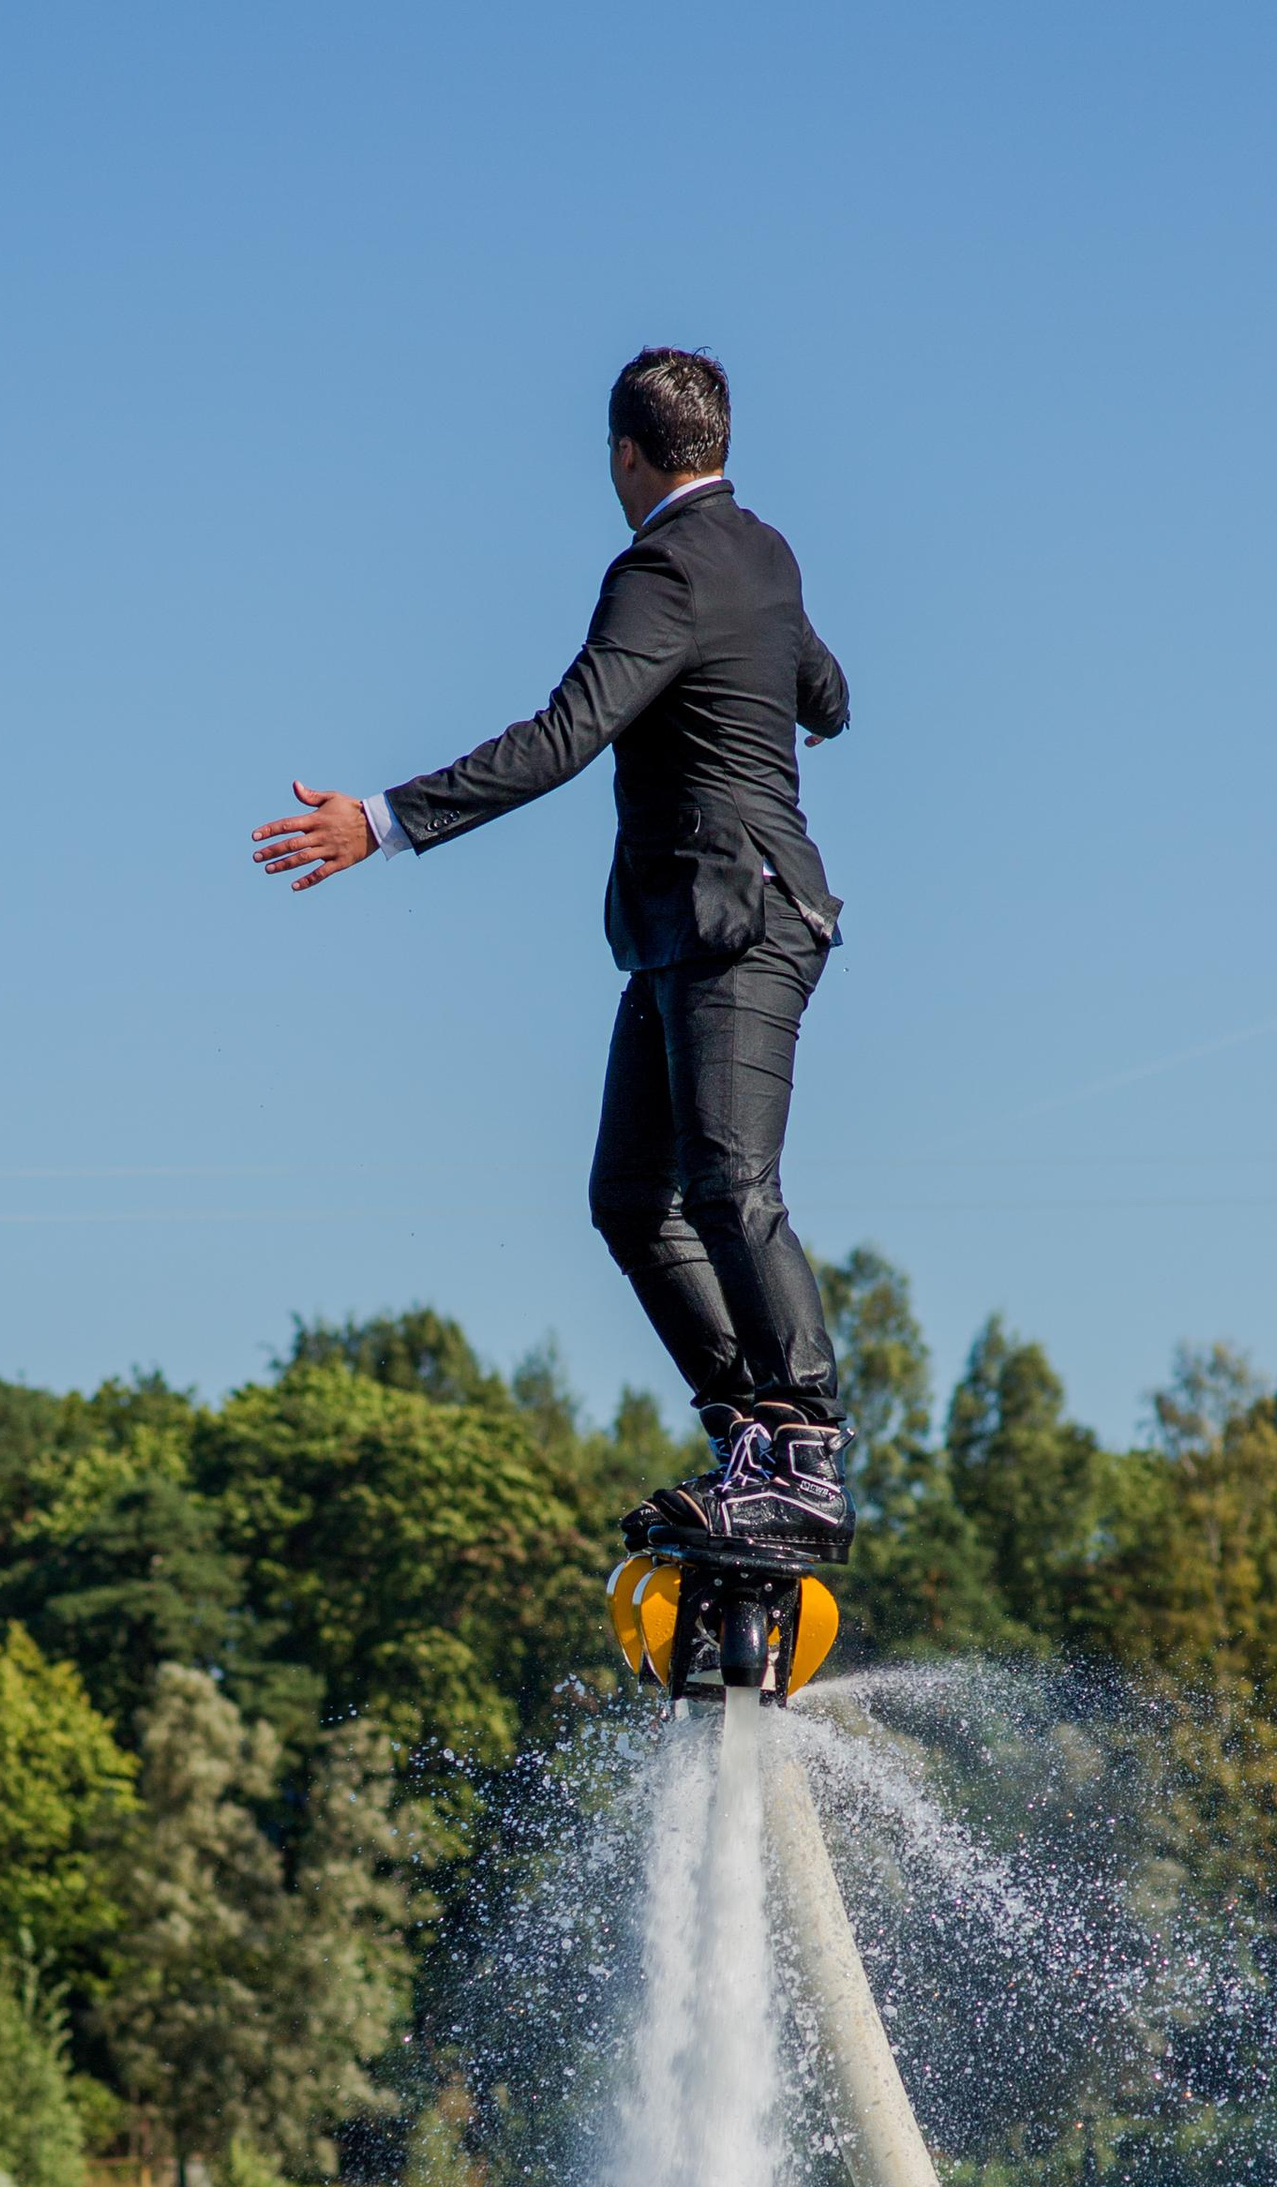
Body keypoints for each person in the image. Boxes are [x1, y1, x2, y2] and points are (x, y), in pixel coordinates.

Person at [252, 345, 853, 1563]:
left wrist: (383, 818)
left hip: (741, 922)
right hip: (692, 930)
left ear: (626, 455)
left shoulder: (662, 566)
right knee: (632, 1199)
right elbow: (827, 697)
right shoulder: (765, 555)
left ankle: (806, 1456)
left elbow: (568, 734)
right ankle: (748, 1426)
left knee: (732, 1186)